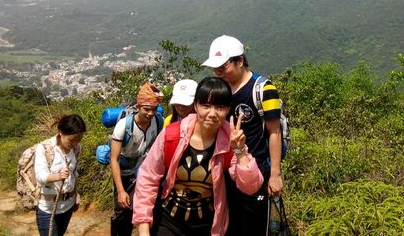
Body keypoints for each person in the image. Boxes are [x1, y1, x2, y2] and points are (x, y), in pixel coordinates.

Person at [132, 77, 263, 236]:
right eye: (206, 106)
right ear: (196, 106)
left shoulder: (230, 141)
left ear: (228, 109)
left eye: (220, 107)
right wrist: (143, 227)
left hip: (208, 225)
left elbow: (251, 187)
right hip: (167, 222)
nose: (212, 114)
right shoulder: (172, 135)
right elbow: (148, 178)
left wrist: (240, 151)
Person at [202, 35, 284, 236]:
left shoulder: (263, 89)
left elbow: (275, 132)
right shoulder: (221, 91)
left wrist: (275, 175)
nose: (219, 73)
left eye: (223, 67)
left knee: (254, 227)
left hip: (257, 172)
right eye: (215, 69)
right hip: (225, 173)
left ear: (240, 61)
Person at [110, 82, 164, 236]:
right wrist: (120, 191)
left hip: (144, 168)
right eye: (146, 109)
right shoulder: (124, 125)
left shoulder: (158, 121)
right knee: (123, 210)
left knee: (148, 206)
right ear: (138, 107)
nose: (150, 113)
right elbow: (114, 159)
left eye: (154, 109)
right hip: (124, 170)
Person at [34, 114, 87, 236]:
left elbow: (74, 175)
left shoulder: (76, 149)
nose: (75, 143)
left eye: (78, 140)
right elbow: (40, 177)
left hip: (68, 206)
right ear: (61, 133)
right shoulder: (44, 148)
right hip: (47, 208)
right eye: (71, 140)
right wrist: (58, 176)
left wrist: (75, 196)